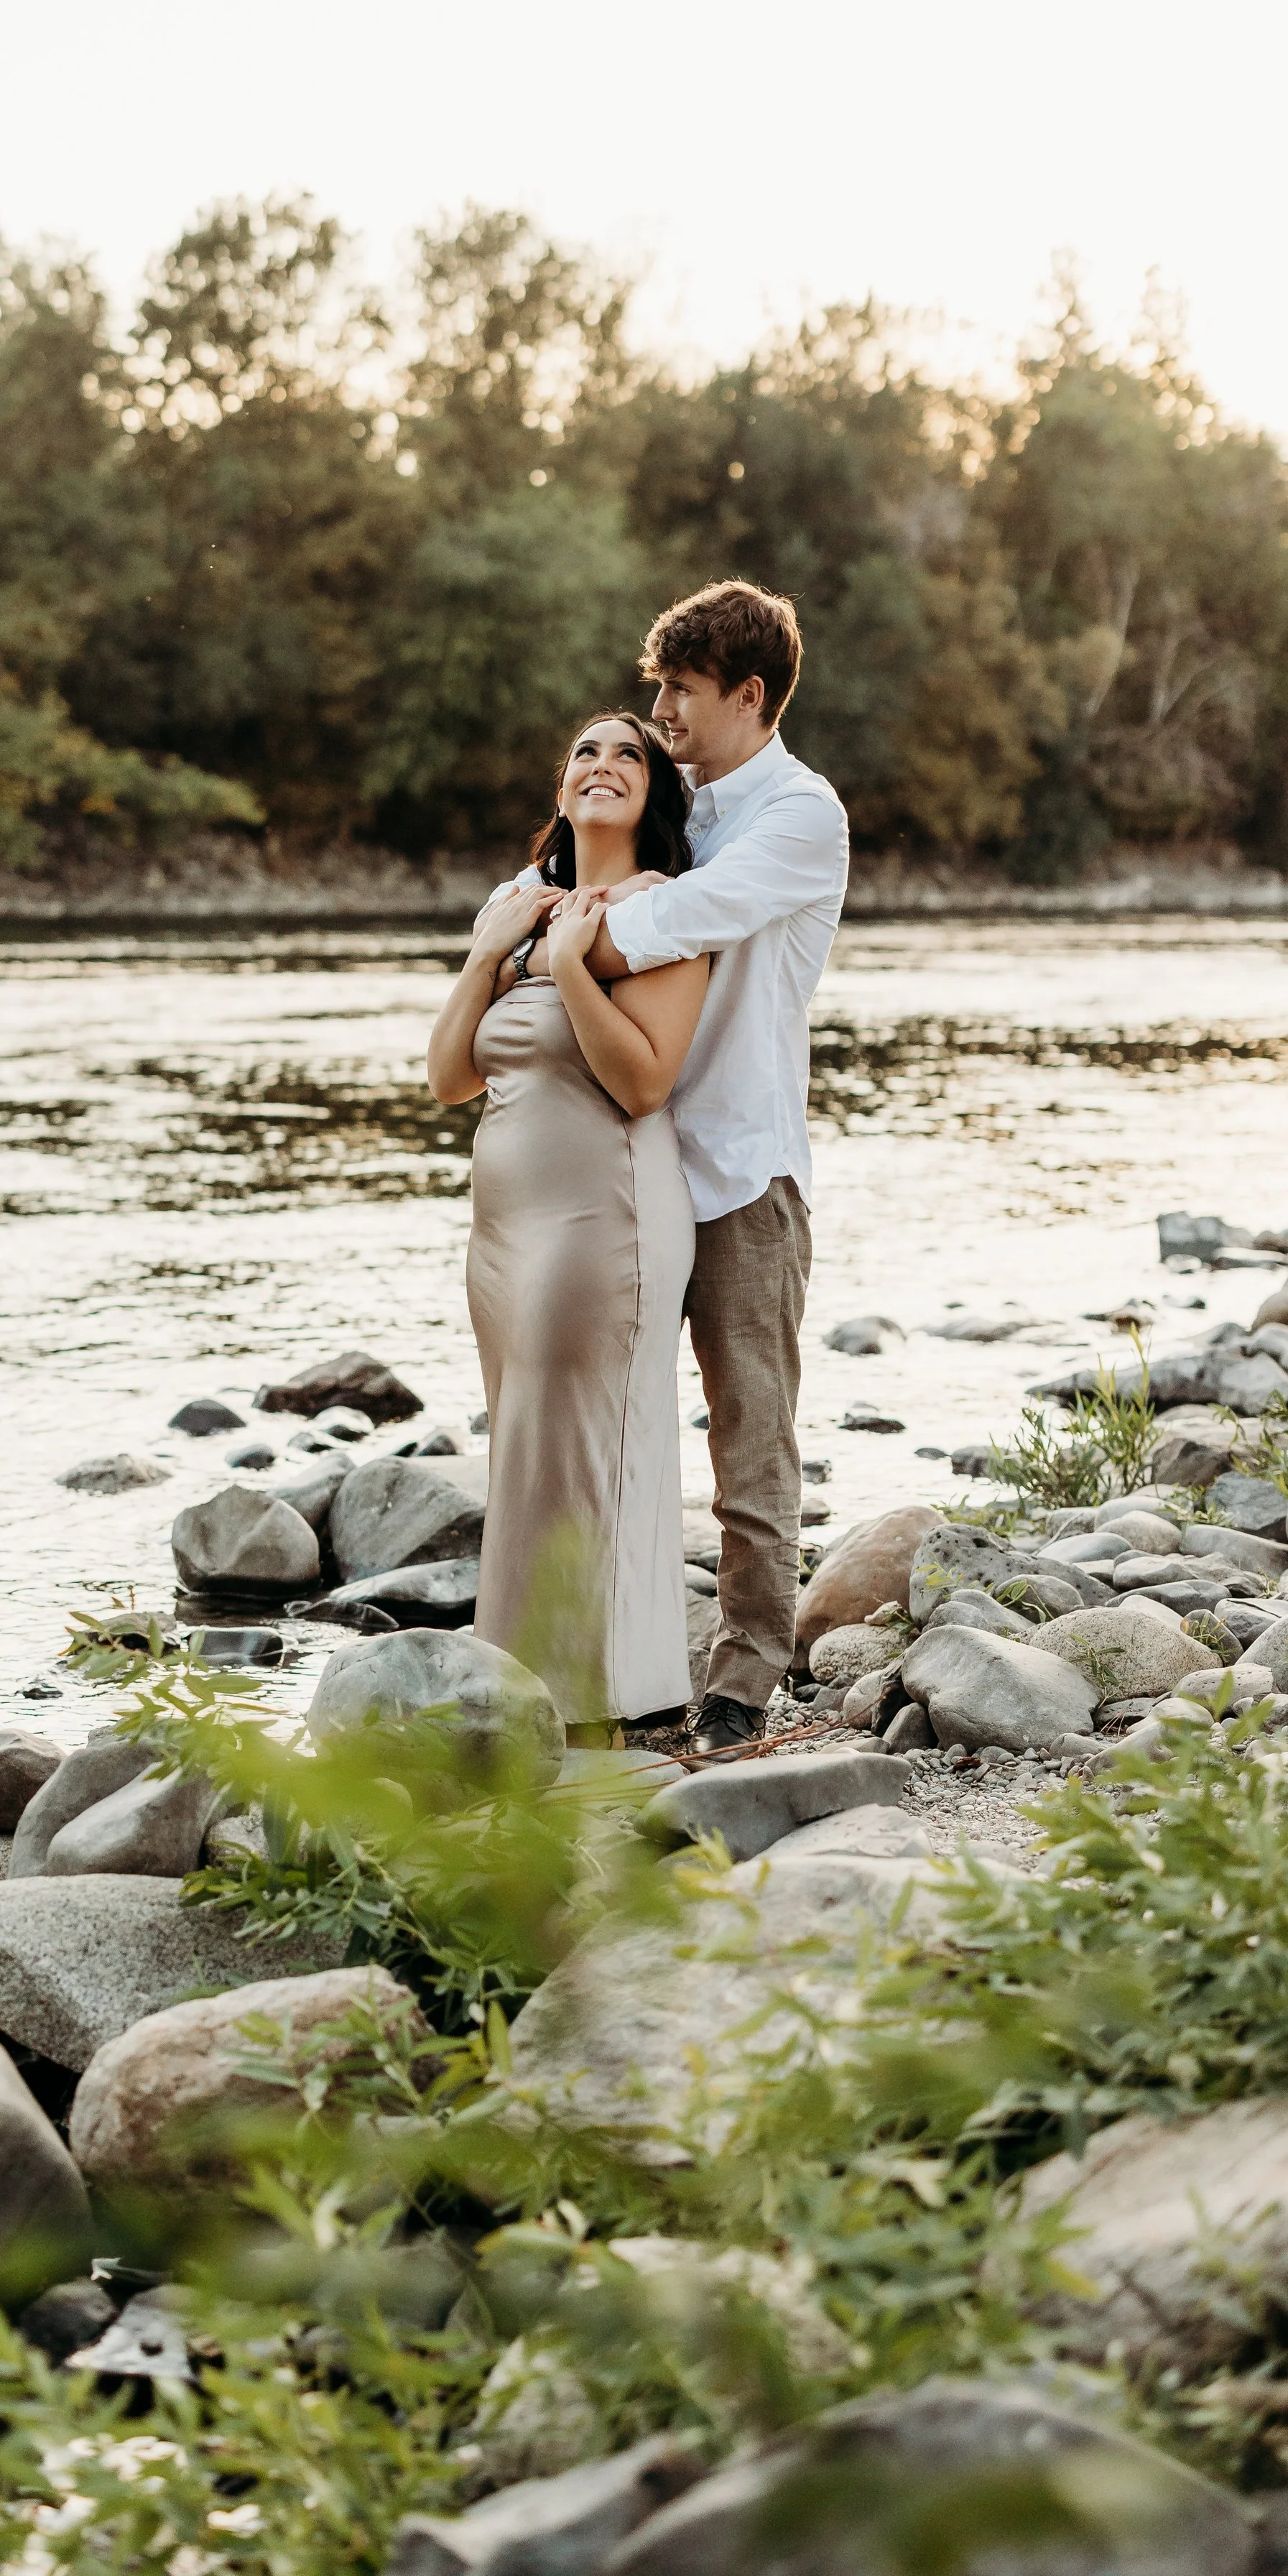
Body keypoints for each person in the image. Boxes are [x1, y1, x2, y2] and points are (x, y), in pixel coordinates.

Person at [567, 581, 848, 1752]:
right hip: (627, 1159)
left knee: (750, 1434)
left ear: (750, 696)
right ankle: (609, 1667)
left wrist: (562, 943)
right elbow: (575, 863)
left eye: (684, 690)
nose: (663, 708)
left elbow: (682, 919)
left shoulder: (801, 814)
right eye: (657, 686)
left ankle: (741, 1681)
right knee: (615, 1424)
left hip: (740, 1166)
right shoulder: (669, 791)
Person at [427, 713, 709, 1738]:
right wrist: (489, 957)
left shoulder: (668, 909)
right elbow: (450, 1077)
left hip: (607, 1212)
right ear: (562, 784)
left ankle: (578, 1700)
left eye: (630, 754)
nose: (605, 765)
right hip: (502, 1226)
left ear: (655, 797)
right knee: (523, 1441)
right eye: (588, 751)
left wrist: (579, 971)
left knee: (575, 1443)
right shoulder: (513, 902)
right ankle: (521, 1684)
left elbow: (643, 1083)